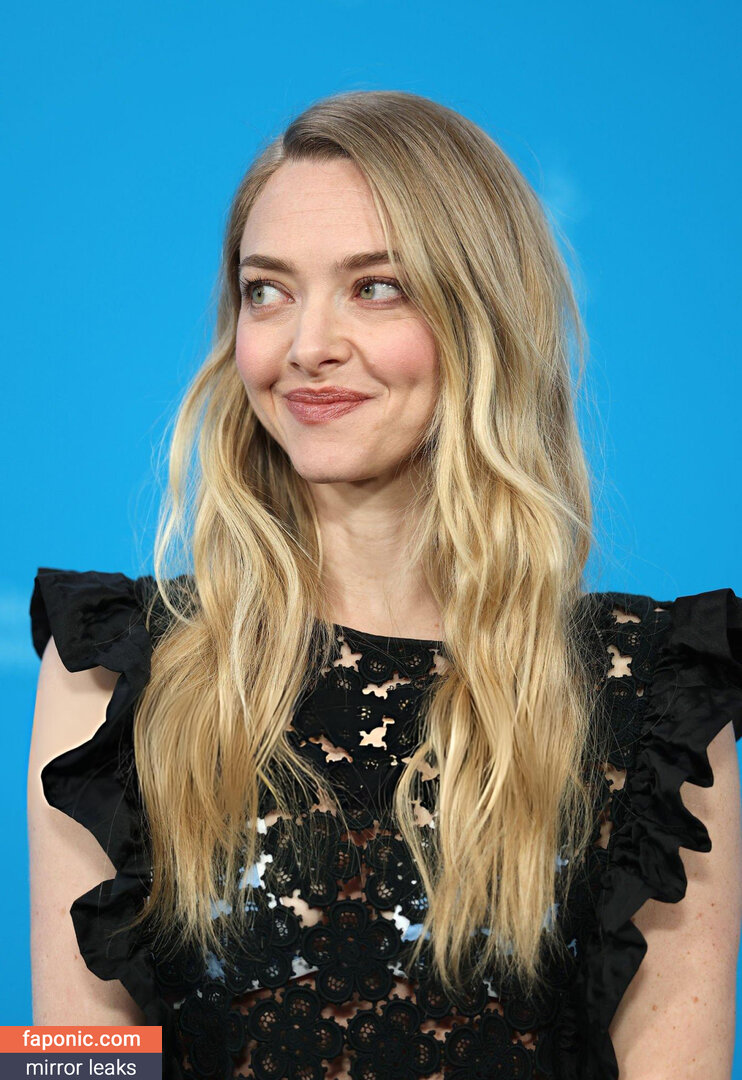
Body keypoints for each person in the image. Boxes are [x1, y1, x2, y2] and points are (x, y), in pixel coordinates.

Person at [27, 90, 742, 1080]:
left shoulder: (656, 697)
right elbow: (76, 1063)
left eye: (375, 287)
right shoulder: (111, 668)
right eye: (267, 291)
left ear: (481, 316)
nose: (307, 344)